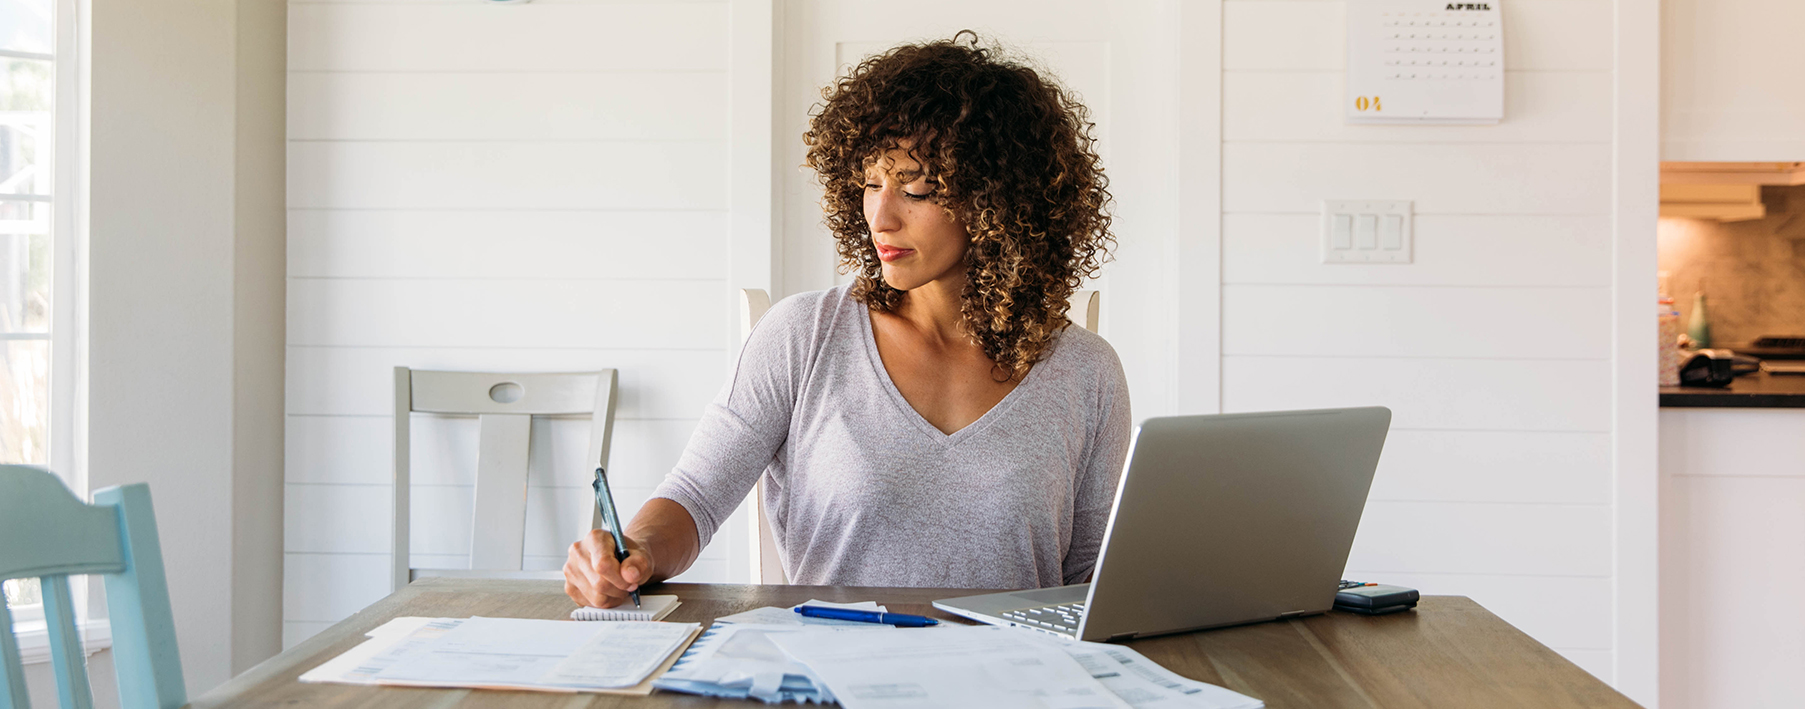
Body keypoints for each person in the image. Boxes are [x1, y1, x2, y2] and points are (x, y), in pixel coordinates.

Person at [564, 32, 1129, 609]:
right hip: (836, 681)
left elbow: (1094, 580)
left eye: (917, 188)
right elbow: (695, 497)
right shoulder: (803, 336)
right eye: (870, 184)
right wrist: (635, 552)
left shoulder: (1086, 371)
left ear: (999, 200)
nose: (880, 217)